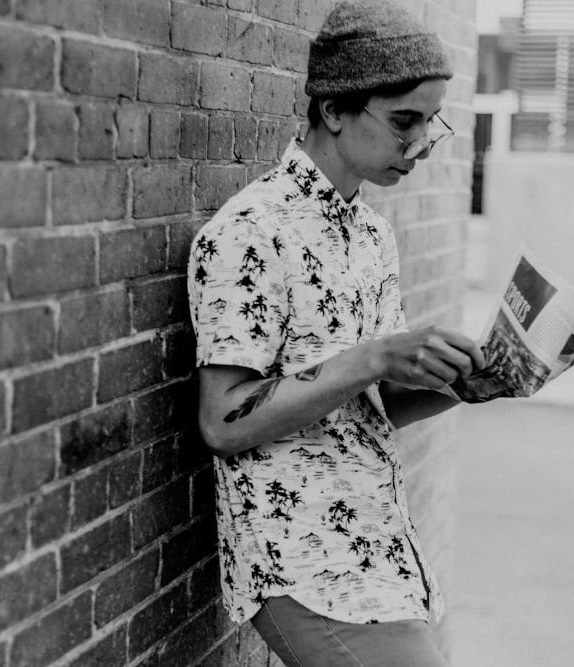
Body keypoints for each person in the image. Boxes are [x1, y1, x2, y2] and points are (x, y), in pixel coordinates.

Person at [187, 2, 485, 664]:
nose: (418, 144)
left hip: (381, 555)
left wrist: (472, 381)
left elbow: (368, 403)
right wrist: (375, 355)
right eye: (403, 120)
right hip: (304, 566)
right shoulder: (248, 233)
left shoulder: (371, 234)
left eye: (429, 122)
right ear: (334, 109)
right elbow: (224, 420)